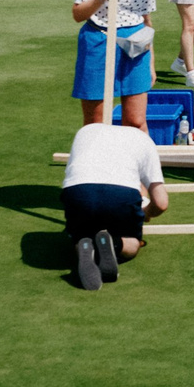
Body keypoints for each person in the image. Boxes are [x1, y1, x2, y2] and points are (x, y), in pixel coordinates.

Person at [60, 117, 170, 290]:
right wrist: (146, 213)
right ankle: (116, 243)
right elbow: (161, 202)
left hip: (78, 191)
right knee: (132, 243)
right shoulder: (145, 141)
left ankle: (84, 242)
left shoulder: (86, 131)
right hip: (122, 194)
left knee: (81, 232)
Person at [75, 0, 170, 132]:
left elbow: (146, 20)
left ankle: (139, 162)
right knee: (96, 122)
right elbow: (77, 14)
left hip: (136, 43)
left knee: (136, 120)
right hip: (99, 39)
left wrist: (151, 62)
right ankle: (97, 162)